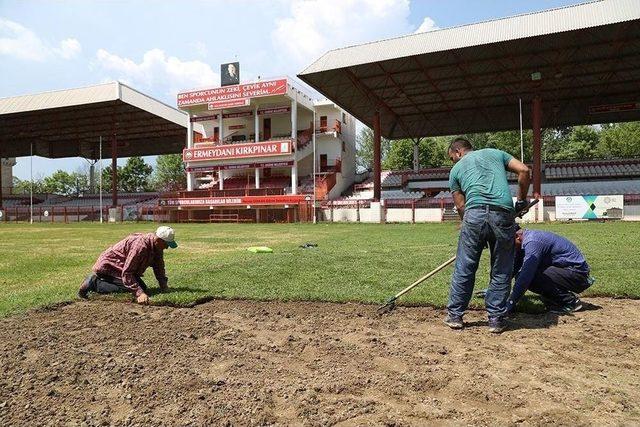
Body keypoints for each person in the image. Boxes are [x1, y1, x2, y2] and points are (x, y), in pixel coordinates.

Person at [444, 137, 530, 333]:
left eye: (452, 158)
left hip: (473, 216)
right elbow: (524, 170)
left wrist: (472, 229)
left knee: (465, 265)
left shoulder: (456, 170)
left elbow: (460, 205)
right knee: (501, 268)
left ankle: (455, 315)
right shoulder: (496, 153)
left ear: (458, 152)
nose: (454, 162)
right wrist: (522, 201)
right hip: (503, 214)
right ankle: (496, 319)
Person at [78, 226, 178, 304]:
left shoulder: (157, 246)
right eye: (166, 244)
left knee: (141, 286)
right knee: (133, 288)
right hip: (108, 267)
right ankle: (94, 283)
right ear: (159, 240)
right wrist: (140, 294)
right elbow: (127, 273)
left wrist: (164, 286)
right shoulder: (140, 247)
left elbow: (159, 266)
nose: (167, 248)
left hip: (121, 268)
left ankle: (97, 282)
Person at [506, 227, 594, 314]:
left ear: (517, 236)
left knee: (531, 277)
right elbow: (516, 265)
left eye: (508, 242)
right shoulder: (527, 240)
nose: (508, 246)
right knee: (524, 275)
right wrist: (499, 289)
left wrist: (511, 302)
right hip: (569, 271)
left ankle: (570, 302)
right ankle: (555, 299)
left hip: (577, 274)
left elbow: (526, 276)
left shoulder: (532, 242)